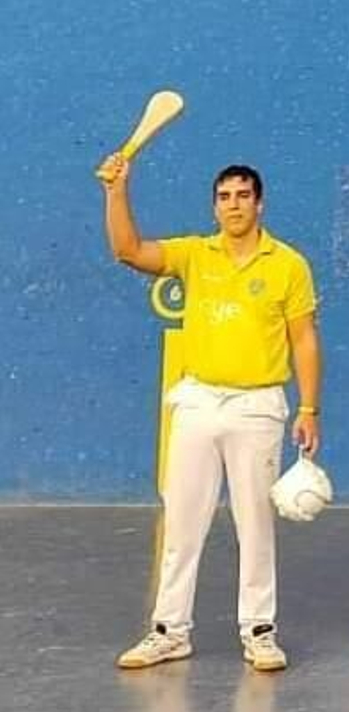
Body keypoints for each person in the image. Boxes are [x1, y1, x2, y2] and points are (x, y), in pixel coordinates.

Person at [102, 155, 321, 672]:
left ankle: (260, 632)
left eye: (243, 195)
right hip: (198, 400)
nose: (233, 205)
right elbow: (127, 249)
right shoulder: (195, 253)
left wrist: (309, 407)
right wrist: (116, 190)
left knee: (255, 526)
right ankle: (169, 631)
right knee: (182, 523)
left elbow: (305, 340)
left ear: (259, 203)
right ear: (215, 206)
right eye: (224, 197)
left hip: (258, 406)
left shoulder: (288, 263)